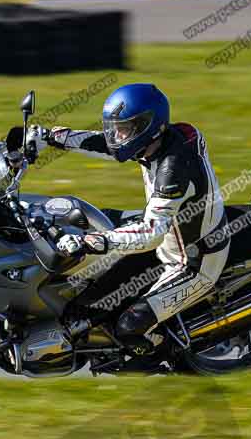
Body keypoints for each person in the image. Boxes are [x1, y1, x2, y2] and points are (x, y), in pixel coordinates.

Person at [28, 83, 230, 349]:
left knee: (127, 327)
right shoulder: (161, 140)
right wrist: (54, 137)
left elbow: (151, 234)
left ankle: (170, 358)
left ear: (148, 126)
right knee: (95, 295)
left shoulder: (172, 171)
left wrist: (90, 242)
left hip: (192, 261)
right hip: (172, 233)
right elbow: (105, 144)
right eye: (115, 128)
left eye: (124, 129)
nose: (116, 136)